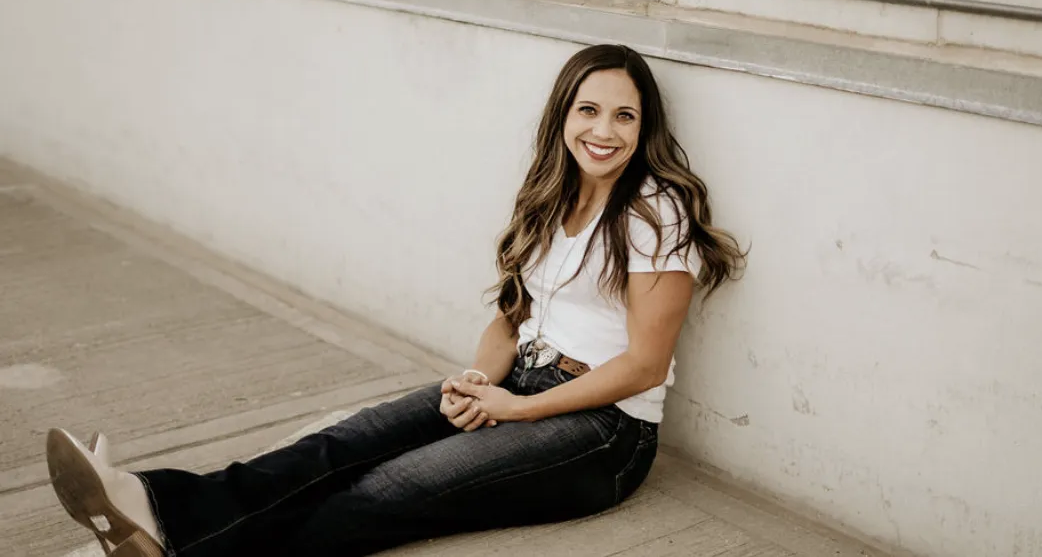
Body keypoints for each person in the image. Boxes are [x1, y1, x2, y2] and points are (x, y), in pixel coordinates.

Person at [45, 43, 747, 557]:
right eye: (589, 109)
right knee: (339, 445)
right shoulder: (549, 194)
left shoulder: (655, 211)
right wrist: (480, 380)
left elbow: (646, 365)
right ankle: (154, 504)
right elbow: (512, 315)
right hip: (523, 384)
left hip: (605, 435)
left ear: (643, 126)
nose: (604, 130)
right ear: (562, 115)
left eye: (624, 116)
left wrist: (518, 409)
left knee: (386, 492)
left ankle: (172, 546)